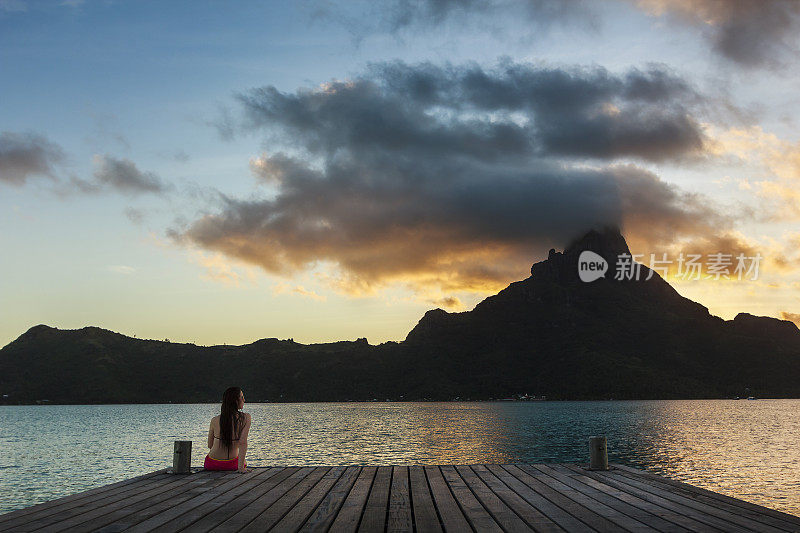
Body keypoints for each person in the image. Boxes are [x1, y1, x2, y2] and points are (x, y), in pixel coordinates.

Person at [204, 386, 251, 473]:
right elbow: (243, 442)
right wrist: (240, 467)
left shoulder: (214, 420)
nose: (244, 400)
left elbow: (210, 445)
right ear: (235, 401)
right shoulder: (245, 418)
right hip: (233, 464)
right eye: (242, 397)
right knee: (244, 462)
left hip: (212, 463)